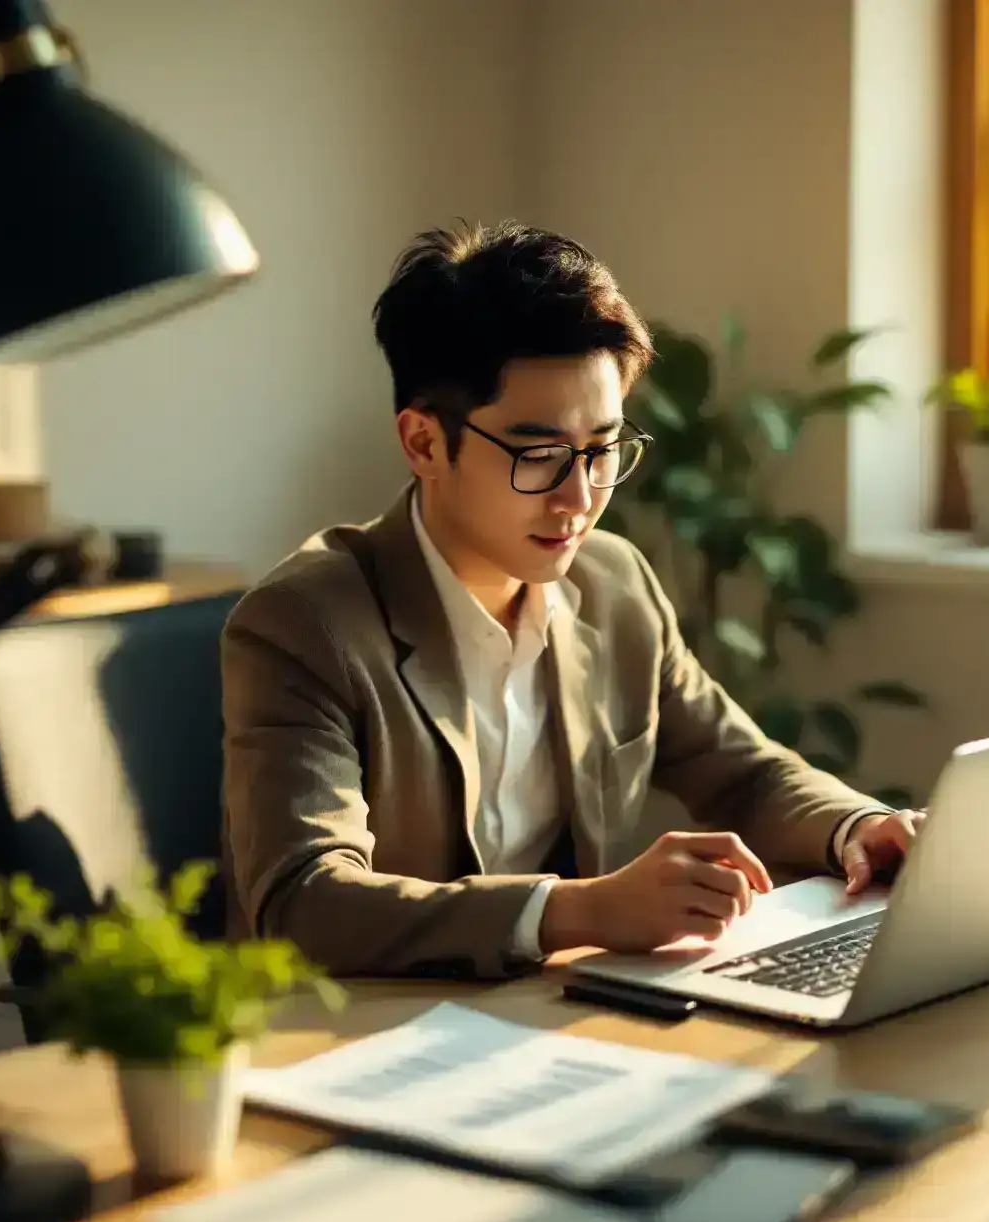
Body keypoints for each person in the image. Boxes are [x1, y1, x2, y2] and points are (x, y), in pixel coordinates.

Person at [220, 221, 923, 979]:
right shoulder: (304, 624)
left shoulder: (612, 583)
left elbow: (742, 770)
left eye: (603, 449)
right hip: (356, 1035)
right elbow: (304, 900)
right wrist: (584, 910)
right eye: (540, 455)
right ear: (424, 443)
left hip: (554, 1019)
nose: (580, 497)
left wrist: (857, 824)